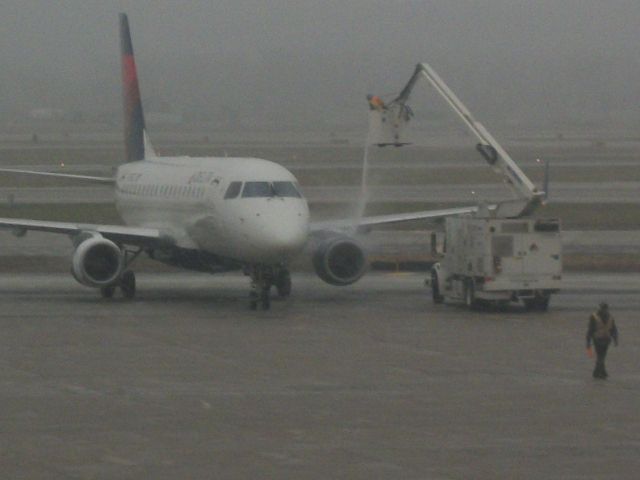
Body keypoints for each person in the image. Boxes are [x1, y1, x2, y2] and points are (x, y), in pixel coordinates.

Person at [586, 302, 618, 379]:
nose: (604, 310)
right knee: (601, 356)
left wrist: (615, 339)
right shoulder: (594, 317)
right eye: (603, 308)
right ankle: (600, 372)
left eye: (604, 308)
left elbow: (613, 329)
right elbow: (590, 329)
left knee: (601, 356)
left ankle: (599, 372)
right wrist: (588, 341)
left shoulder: (610, 317)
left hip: (606, 340)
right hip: (598, 339)